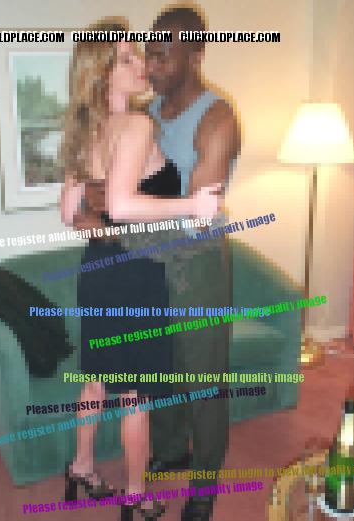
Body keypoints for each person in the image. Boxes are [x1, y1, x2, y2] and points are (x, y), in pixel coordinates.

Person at [60, 18, 222, 521]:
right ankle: (136, 496)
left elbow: (69, 213)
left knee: (96, 381)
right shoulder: (136, 125)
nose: (142, 64)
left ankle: (81, 468)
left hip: (97, 269)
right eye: (128, 58)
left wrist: (105, 223)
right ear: (103, 73)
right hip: (134, 273)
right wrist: (192, 205)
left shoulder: (85, 131)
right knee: (135, 394)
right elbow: (124, 205)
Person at [143, 7, 241, 521]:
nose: (153, 64)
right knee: (161, 367)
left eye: (165, 54)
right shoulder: (149, 113)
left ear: (196, 54)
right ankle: (169, 450)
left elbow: (198, 209)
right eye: (150, 53)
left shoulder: (217, 118)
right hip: (150, 258)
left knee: (203, 379)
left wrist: (127, 206)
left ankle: (204, 485)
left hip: (197, 262)